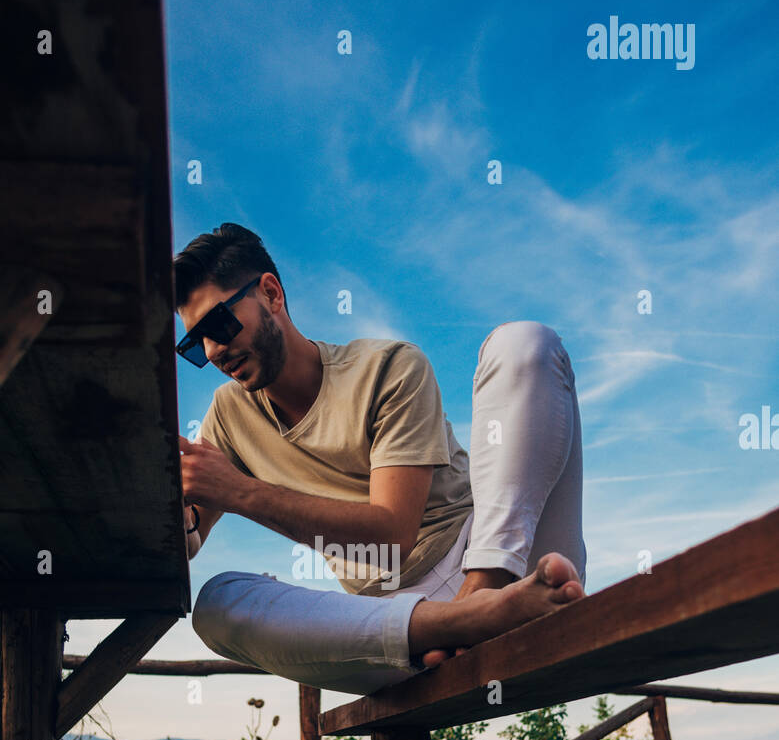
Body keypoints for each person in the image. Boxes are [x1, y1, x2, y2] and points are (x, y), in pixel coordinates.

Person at [175, 223, 586, 696]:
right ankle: (454, 625)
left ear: (271, 293)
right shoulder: (228, 415)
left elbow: (393, 533)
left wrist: (241, 492)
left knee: (525, 343)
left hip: (514, 560)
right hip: (401, 625)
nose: (213, 351)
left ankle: (483, 597)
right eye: (194, 345)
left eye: (218, 326)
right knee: (216, 606)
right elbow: (190, 534)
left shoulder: (387, 367)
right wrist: (171, 508)